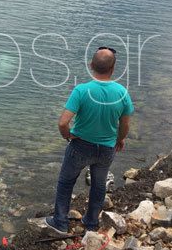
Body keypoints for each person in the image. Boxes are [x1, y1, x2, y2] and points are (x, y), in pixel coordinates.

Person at [44, 47, 133, 235]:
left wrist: (66, 134)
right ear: (113, 68)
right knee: (99, 186)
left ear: (91, 65)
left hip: (80, 146)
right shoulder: (122, 93)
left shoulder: (82, 90)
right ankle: (91, 223)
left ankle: (60, 222)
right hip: (107, 149)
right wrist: (120, 139)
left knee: (66, 182)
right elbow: (124, 124)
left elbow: (63, 122)